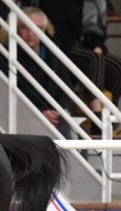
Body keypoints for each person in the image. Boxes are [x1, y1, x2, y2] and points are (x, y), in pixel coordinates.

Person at [40, 0, 121, 132]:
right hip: (63, 48)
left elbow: (96, 29)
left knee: (116, 66)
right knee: (95, 59)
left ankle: (110, 114)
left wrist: (98, 45)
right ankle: (96, 117)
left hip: (86, 47)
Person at [0, 7, 74, 136]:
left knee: (73, 128)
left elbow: (66, 89)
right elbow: (10, 95)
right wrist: (41, 112)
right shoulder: (7, 55)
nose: (31, 33)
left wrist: (60, 112)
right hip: (24, 116)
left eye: (37, 28)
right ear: (17, 29)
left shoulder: (54, 53)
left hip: (54, 116)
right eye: (25, 27)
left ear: (45, 31)